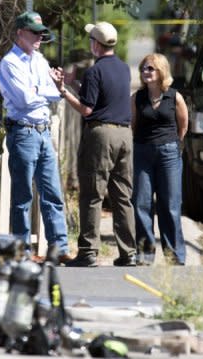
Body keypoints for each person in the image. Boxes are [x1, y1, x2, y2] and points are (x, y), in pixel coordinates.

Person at [51, 21, 136, 267]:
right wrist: (74, 82)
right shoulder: (122, 69)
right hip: (124, 135)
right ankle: (128, 252)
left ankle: (88, 252)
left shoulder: (94, 71)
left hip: (101, 136)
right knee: (122, 196)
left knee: (92, 193)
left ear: (95, 45)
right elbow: (101, 99)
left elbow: (88, 109)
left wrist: (64, 90)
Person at [0, 11, 70, 264]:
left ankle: (59, 248)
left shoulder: (38, 59)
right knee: (23, 198)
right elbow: (24, 99)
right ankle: (23, 251)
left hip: (43, 130)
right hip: (23, 131)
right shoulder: (9, 63)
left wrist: (43, 90)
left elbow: (55, 92)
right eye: (34, 32)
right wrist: (45, 90)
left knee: (52, 194)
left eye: (41, 32)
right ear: (20, 33)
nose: (40, 36)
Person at [131, 53, 188, 265]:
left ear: (161, 71)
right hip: (143, 152)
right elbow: (134, 125)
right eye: (144, 68)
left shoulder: (174, 97)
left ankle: (174, 255)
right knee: (141, 203)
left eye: (150, 68)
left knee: (170, 204)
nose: (146, 72)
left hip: (169, 153)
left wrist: (172, 144)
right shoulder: (137, 98)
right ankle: (145, 255)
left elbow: (183, 126)